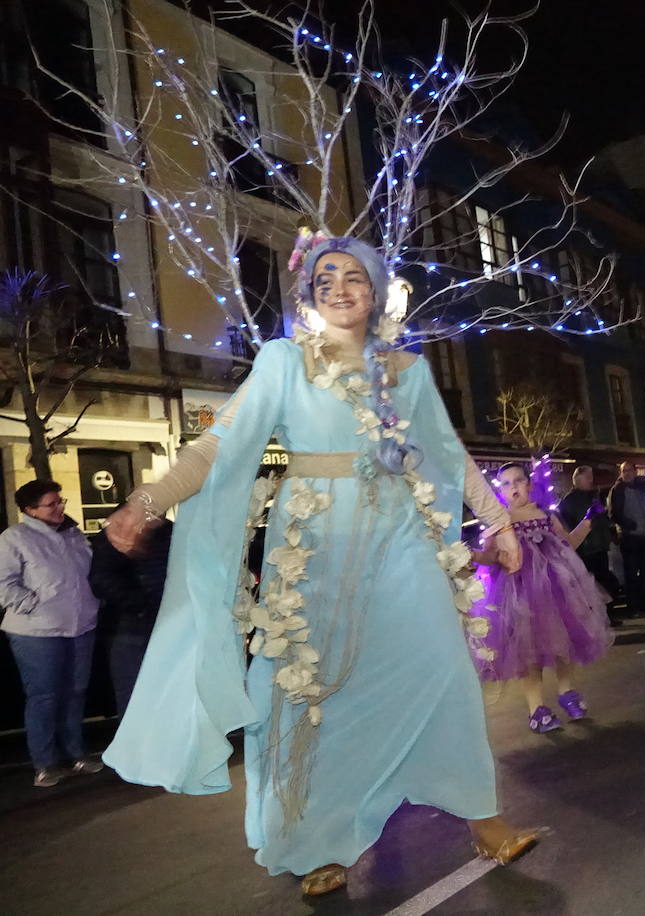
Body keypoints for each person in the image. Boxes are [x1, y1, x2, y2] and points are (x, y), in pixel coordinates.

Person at [99, 236, 538, 895]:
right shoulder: (281, 363)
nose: (339, 286)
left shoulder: (407, 372)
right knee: (311, 696)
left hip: (401, 537)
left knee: (444, 667)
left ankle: (484, 817)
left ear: (377, 290)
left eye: (354, 276)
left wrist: (498, 519)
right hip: (314, 545)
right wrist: (149, 499)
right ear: (308, 292)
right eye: (325, 276)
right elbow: (216, 444)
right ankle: (317, 842)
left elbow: (447, 454)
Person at [470, 463, 614, 733]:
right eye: (506, 483)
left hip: (557, 588)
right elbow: (491, 556)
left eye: (518, 481)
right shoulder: (499, 521)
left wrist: (588, 520)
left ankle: (567, 691)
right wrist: (475, 556)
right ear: (499, 490)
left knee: (564, 640)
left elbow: (568, 543)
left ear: (529, 484)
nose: (513, 487)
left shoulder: (547, 516)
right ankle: (536, 708)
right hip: (518, 591)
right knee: (528, 650)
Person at [0, 480, 104, 788]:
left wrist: (94, 601)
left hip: (81, 626)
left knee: (75, 692)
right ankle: (44, 763)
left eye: (61, 501)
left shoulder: (73, 535)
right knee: (44, 695)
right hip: (37, 632)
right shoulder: (15, 538)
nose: (60, 508)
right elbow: (4, 583)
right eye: (52, 504)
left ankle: (76, 754)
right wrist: (35, 605)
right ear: (30, 510)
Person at [89, 522, 173, 716]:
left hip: (161, 621)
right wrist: (140, 604)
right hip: (132, 624)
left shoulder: (168, 531)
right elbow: (101, 579)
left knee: (160, 693)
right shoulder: (118, 530)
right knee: (134, 694)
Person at [556, 466, 621, 623]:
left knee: (605, 582)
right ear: (578, 480)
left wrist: (609, 528)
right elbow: (567, 526)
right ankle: (597, 617)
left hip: (600, 546)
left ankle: (607, 615)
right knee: (593, 585)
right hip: (585, 549)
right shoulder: (569, 502)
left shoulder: (593, 497)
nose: (591, 481)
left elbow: (602, 519)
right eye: (588, 477)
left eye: (591, 477)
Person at [608, 461, 645, 615]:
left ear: (635, 472)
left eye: (629, 470)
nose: (627, 473)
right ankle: (633, 606)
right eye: (624, 471)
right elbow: (613, 513)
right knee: (631, 573)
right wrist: (628, 525)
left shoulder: (643, 488)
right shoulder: (617, 490)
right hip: (630, 537)